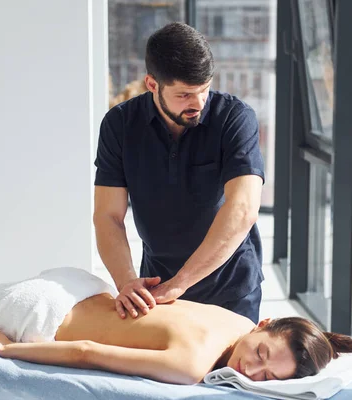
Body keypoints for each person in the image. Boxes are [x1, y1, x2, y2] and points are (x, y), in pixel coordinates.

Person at [0, 268, 352, 385]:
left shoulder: (237, 319)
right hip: (39, 317)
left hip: (78, 284)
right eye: (263, 355)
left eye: (268, 378)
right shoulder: (190, 366)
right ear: (266, 325)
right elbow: (85, 352)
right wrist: (3, 352)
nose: (251, 372)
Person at [94, 21, 266, 324]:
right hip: (156, 288)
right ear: (151, 84)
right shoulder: (119, 125)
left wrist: (180, 283)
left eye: (204, 90)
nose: (197, 104)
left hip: (230, 289)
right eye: (184, 95)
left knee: (229, 372)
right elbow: (108, 215)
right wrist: (126, 282)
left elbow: (242, 210)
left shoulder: (235, 119)